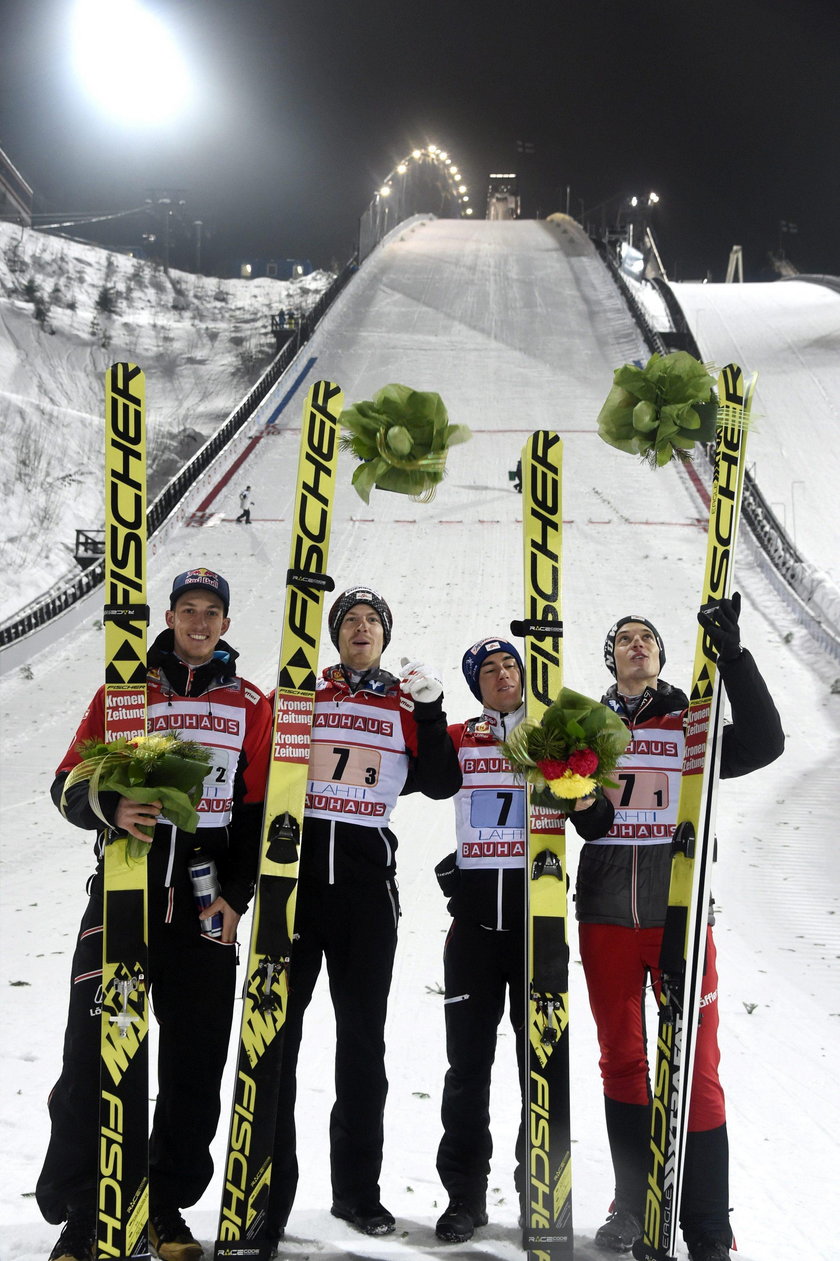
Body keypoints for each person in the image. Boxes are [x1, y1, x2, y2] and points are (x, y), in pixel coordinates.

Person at [39, 568, 273, 1261]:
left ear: (226, 625)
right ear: (168, 617)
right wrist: (108, 806)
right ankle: (87, 1210)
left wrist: (238, 895)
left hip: (203, 906)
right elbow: (65, 783)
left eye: (212, 613)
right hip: (122, 899)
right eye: (188, 610)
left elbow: (260, 812)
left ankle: (164, 1202)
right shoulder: (124, 693)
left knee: (195, 1068)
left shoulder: (252, 705)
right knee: (90, 1060)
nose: (199, 623)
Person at [573, 596, 784, 1261]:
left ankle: (708, 1231)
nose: (637, 645)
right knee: (623, 1061)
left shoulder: (691, 720)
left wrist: (736, 660)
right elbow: (586, 820)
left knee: (696, 1066)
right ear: (611, 659)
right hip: (605, 914)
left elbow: (766, 742)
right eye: (625, 638)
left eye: (648, 639)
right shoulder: (587, 722)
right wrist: (575, 796)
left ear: (662, 657)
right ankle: (633, 1205)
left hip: (680, 915)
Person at [264, 586, 461, 1247]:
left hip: (364, 895)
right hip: (294, 890)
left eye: (373, 620)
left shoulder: (401, 704)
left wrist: (431, 713)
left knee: (361, 1048)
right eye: (349, 620)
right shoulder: (306, 695)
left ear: (384, 636)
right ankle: (266, 1189)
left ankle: (356, 1193)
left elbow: (439, 781)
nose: (361, 628)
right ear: (335, 635)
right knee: (276, 1040)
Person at [432, 637, 604, 1243]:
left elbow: (599, 819)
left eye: (511, 666)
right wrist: (425, 711)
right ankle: (464, 1198)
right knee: (467, 1070)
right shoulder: (460, 737)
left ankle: (541, 1195)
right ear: (475, 685)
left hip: (541, 931)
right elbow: (426, 775)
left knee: (544, 1064)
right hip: (476, 933)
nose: (503, 675)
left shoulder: (554, 736)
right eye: (488, 670)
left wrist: (579, 789)